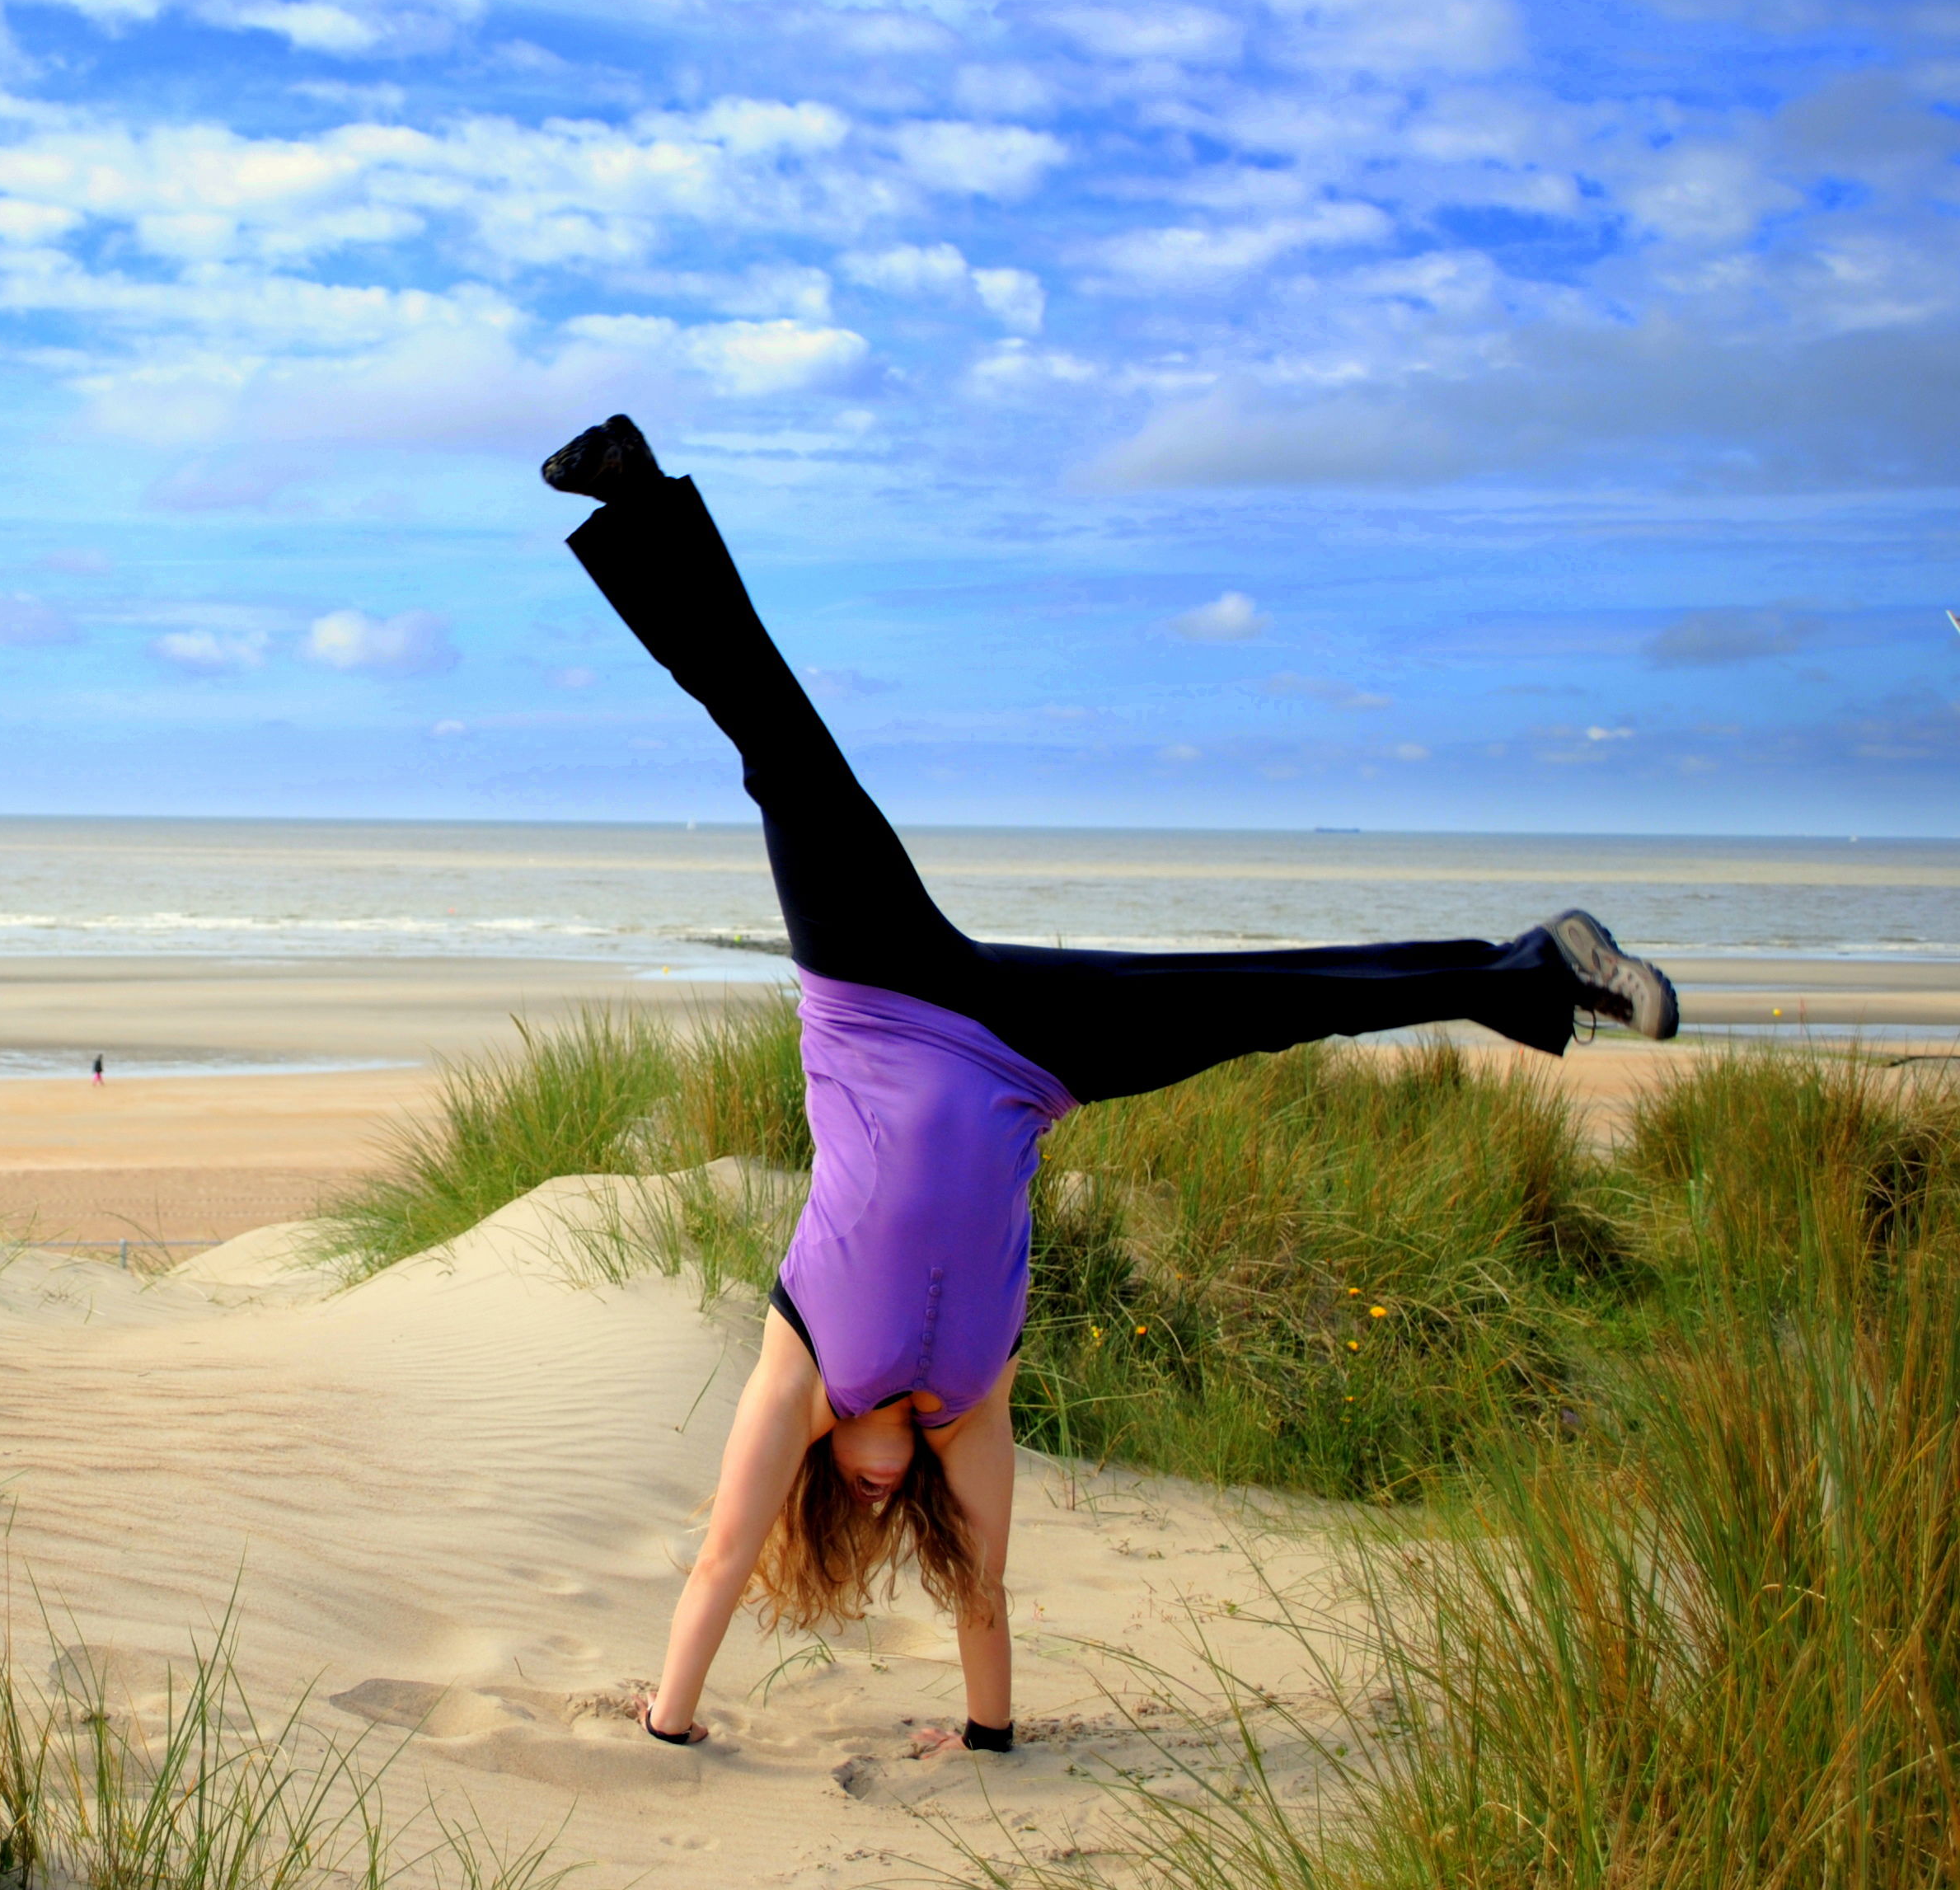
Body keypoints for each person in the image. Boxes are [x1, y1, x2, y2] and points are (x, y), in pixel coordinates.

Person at [535, 415, 1681, 1761]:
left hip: (881, 992)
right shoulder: (971, 1408)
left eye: (850, 1481)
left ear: (824, 1480)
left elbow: (722, 1558)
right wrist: (986, 1741)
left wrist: (668, 1721)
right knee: (1272, 1007)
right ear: (900, 1504)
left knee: (778, 744)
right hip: (1028, 1058)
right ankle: (1538, 971)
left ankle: (633, 493)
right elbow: (985, 1599)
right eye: (879, 1494)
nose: (871, 1474)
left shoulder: (804, 1370)